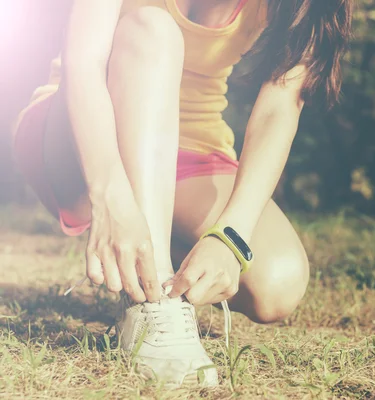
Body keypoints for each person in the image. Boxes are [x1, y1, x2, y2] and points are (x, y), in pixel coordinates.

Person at [11, 0, 351, 388]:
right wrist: (110, 193)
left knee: (277, 283)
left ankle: (154, 252)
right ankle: (150, 304)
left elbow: (281, 105)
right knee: (152, 26)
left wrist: (230, 237)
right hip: (78, 131)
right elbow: (82, 65)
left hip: (192, 143)